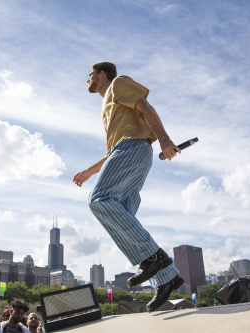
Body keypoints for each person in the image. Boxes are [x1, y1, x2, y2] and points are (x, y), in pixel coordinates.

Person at [73, 62, 185, 312]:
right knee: (122, 218)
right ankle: (166, 278)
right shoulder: (108, 107)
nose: (87, 79)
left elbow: (145, 105)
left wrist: (164, 139)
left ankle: (155, 257)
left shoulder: (118, 84)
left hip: (133, 149)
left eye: (89, 75)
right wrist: (90, 171)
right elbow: (112, 150)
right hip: (129, 153)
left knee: (99, 200)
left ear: (102, 75)